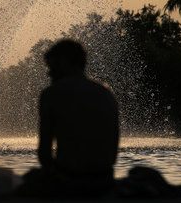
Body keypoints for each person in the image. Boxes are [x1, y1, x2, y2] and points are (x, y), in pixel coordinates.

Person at [19, 39, 119, 198]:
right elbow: (112, 149)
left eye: (51, 67)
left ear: (64, 62)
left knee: (24, 181)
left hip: (69, 180)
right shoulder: (106, 93)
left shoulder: (52, 93)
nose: (49, 73)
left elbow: (44, 153)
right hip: (104, 180)